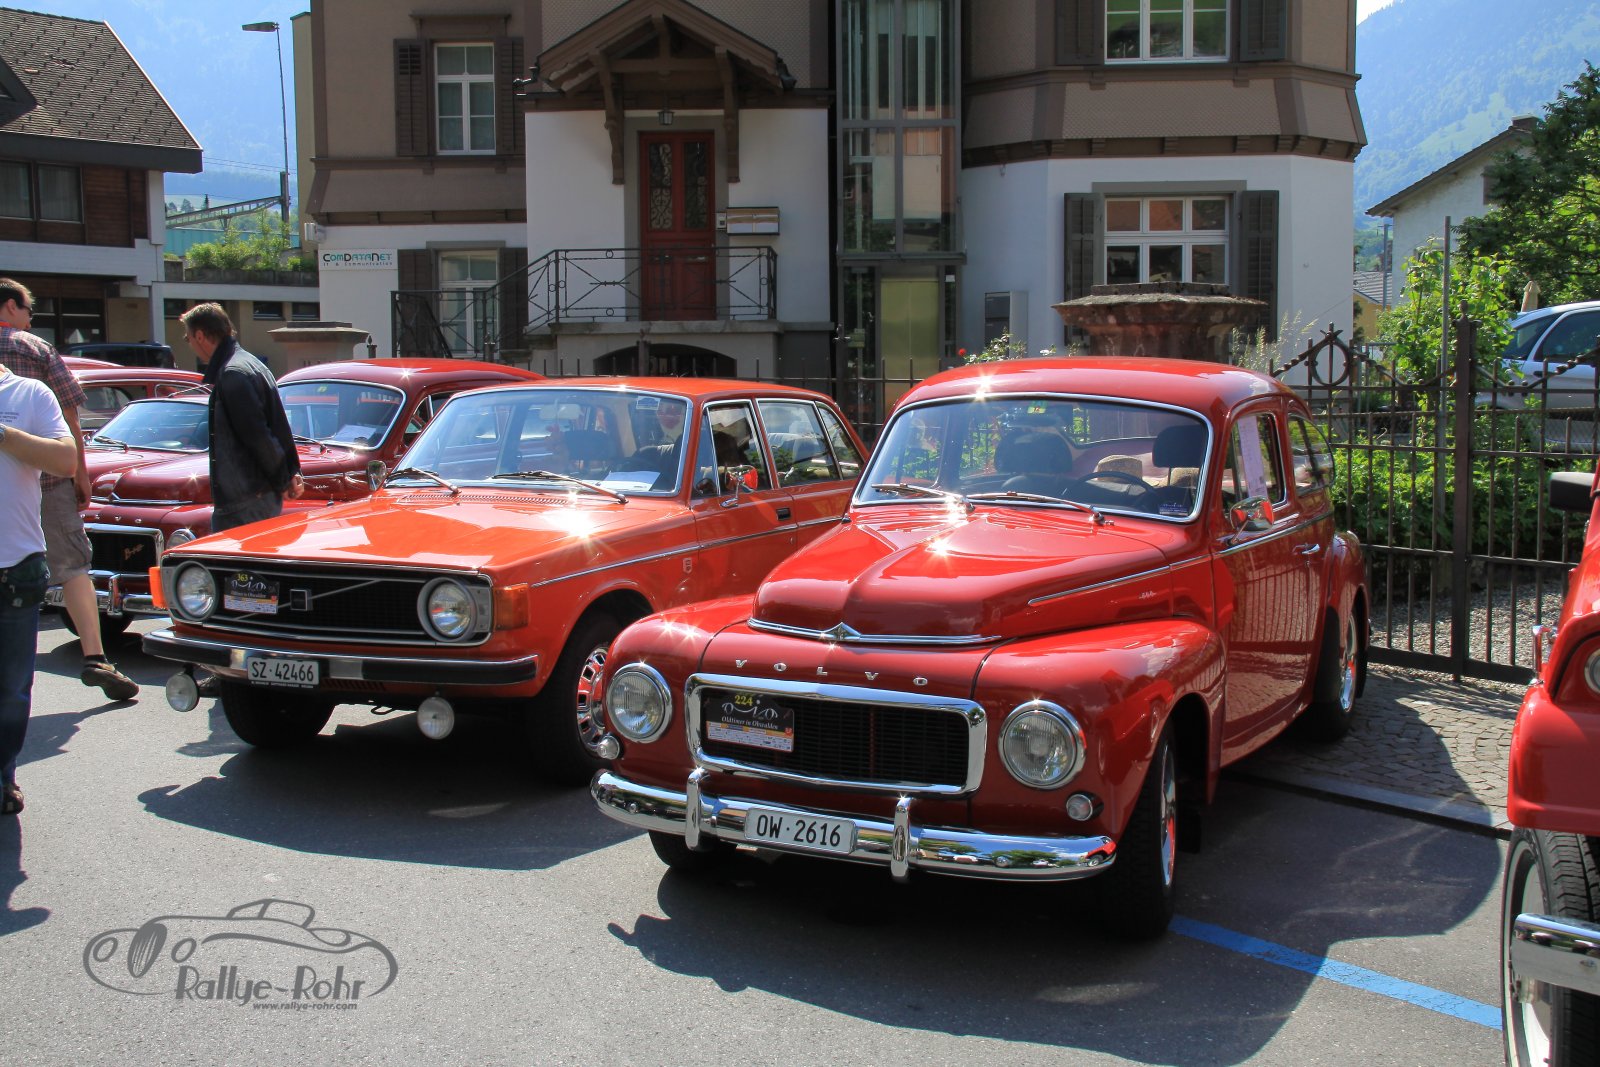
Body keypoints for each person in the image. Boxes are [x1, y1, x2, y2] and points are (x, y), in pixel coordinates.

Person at [0, 279, 139, 701]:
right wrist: (80, 472)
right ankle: (95, 656)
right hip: (47, 475)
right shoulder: (35, 348)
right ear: (11, 306)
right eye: (29, 311)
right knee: (74, 565)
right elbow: (70, 412)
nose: (30, 320)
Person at [0, 360, 80, 814]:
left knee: (11, 690)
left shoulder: (29, 394)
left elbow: (66, 461)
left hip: (15, 565)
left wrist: (4, 435)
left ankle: (4, 775)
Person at [178, 303, 303, 531]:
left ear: (200, 336)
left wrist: (284, 478)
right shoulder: (251, 364)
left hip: (244, 501)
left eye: (188, 338)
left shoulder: (232, 373)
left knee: (236, 556)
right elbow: (277, 426)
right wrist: (288, 473)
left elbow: (258, 435)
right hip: (257, 497)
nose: (190, 344)